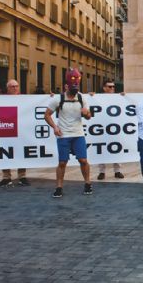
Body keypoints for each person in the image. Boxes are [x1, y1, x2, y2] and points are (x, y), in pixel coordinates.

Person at [44, 68, 93, 198]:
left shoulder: (82, 98)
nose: (75, 91)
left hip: (78, 134)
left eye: (76, 88)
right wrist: (54, 127)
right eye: (73, 88)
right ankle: (59, 187)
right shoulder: (58, 99)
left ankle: (88, 183)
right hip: (64, 135)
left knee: (83, 160)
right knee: (62, 162)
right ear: (67, 86)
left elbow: (89, 116)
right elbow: (47, 115)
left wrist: (86, 113)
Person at [95, 80, 125, 180]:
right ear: (104, 88)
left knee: (116, 148)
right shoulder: (98, 97)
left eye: (113, 87)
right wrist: (91, 96)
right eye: (109, 87)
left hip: (115, 127)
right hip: (102, 127)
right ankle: (102, 172)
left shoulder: (118, 97)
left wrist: (124, 97)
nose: (112, 88)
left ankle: (117, 171)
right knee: (102, 148)